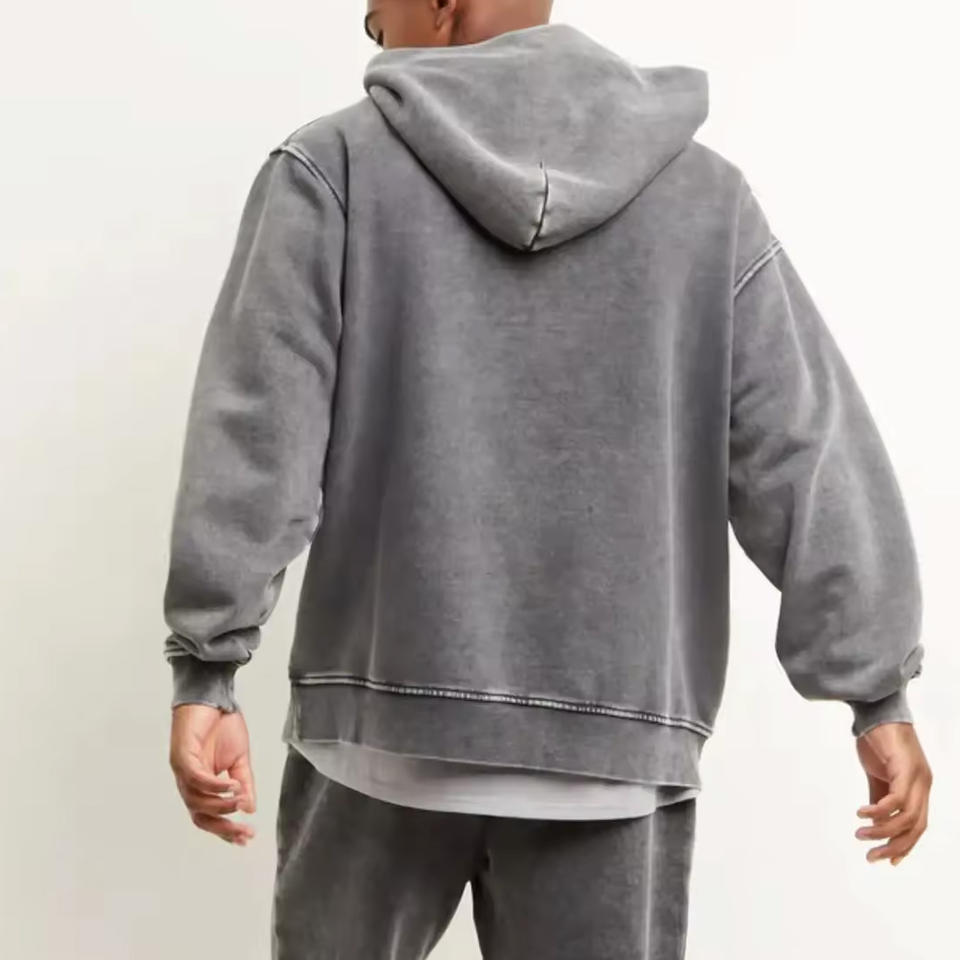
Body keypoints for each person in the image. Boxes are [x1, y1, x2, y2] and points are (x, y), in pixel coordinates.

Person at [163, 1, 933, 957]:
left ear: (440, 6)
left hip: (375, 734)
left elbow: (256, 437)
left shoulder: (335, 169)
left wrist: (207, 668)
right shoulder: (706, 202)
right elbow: (805, 448)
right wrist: (876, 693)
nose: (371, 35)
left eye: (377, 17)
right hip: (613, 753)